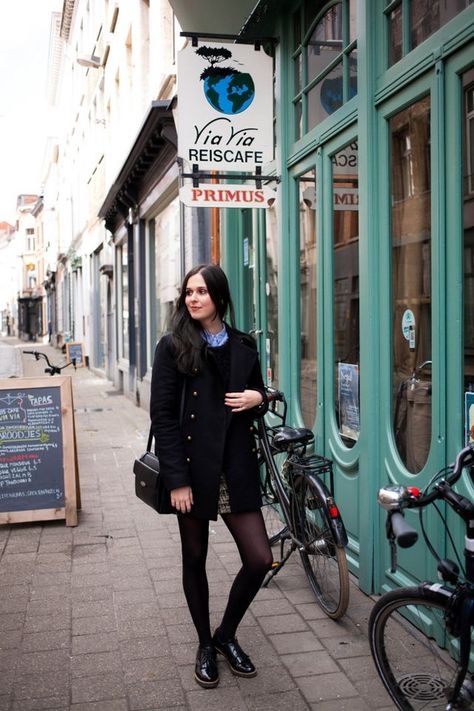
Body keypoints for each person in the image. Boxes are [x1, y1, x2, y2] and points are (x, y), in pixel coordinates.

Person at [150, 263, 273, 689]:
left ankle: (226, 634)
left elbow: (256, 398)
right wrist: (177, 479)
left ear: (219, 297)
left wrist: (262, 396)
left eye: (201, 291)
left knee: (260, 558)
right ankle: (205, 643)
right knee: (195, 558)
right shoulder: (173, 346)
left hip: (235, 464)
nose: (193, 298)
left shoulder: (243, 344)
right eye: (188, 292)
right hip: (192, 468)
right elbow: (163, 417)